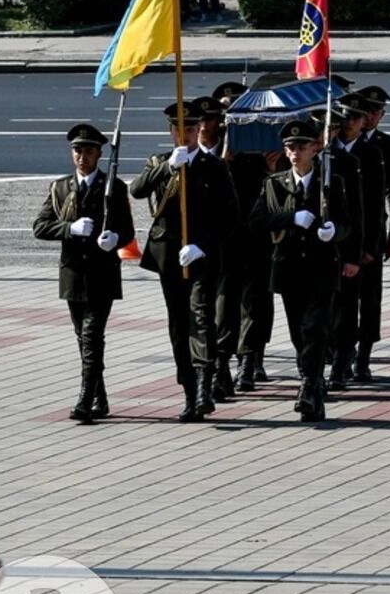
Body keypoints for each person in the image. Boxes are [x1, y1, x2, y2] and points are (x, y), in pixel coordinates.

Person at [131, 101, 239, 422]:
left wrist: (202, 245)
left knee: (201, 317)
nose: (186, 135)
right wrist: (166, 168)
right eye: (180, 130)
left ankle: (205, 387)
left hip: (201, 257)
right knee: (179, 326)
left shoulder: (215, 167)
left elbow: (230, 217)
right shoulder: (161, 162)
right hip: (168, 257)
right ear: (171, 131)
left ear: (199, 130)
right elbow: (137, 190)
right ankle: (190, 393)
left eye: (191, 130)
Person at [250, 117, 356, 422]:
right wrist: (290, 217)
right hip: (289, 268)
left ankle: (308, 387)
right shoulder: (274, 184)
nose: (295, 152)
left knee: (315, 329)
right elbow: (256, 222)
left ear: (316, 147)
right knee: (299, 332)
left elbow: (348, 224)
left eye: (301, 146)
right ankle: (313, 386)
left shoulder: (331, 182)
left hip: (322, 269)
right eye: (290, 147)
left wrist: (334, 231)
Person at [33, 124, 135, 423]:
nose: (82, 156)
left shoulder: (113, 186)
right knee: (82, 338)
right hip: (73, 275)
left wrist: (115, 238)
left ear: (100, 154)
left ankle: (85, 400)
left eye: (88, 150)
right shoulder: (60, 187)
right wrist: (69, 229)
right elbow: (40, 227)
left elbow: (127, 229)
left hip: (102, 274)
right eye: (77, 150)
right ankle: (100, 398)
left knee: (91, 337)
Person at [211, 82, 279, 391]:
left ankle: (250, 360)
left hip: (258, 233)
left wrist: (270, 167)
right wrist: (223, 159)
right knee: (225, 302)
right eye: (224, 108)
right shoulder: (214, 150)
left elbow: (278, 189)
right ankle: (222, 360)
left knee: (257, 300)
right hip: (225, 237)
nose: (229, 115)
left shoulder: (259, 141)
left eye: (236, 107)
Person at [325, 95, 384, 389]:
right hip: (328, 245)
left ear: (363, 122)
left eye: (353, 118)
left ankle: (357, 359)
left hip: (359, 243)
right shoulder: (326, 154)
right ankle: (340, 357)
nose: (347, 123)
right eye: (342, 118)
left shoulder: (369, 154)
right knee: (333, 307)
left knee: (363, 304)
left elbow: (372, 207)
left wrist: (369, 247)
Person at [349, 85, 390, 381]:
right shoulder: (340, 140)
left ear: (381, 115)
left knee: (370, 299)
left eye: (374, 112)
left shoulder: (388, 146)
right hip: (345, 233)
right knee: (343, 298)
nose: (368, 117)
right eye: (364, 112)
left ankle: (364, 356)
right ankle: (343, 352)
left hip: (373, 231)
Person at [192, 96, 240, 402]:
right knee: (200, 314)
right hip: (194, 251)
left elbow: (238, 208)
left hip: (227, 247)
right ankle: (208, 374)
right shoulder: (182, 159)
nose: (206, 126)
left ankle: (222, 363)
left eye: (212, 120)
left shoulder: (234, 154)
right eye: (202, 121)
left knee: (226, 310)